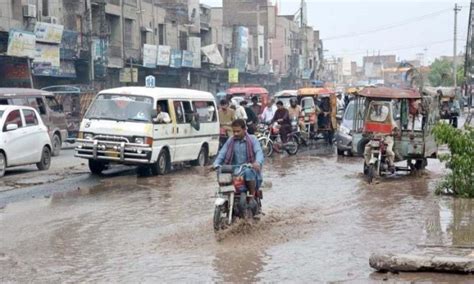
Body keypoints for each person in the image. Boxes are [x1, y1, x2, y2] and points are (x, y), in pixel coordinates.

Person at [213, 119, 264, 215]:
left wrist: (257, 162)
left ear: (244, 129)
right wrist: (216, 164)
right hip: (234, 172)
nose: (235, 134)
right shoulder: (230, 140)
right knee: (221, 171)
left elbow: (259, 152)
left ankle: (251, 197)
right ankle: (226, 199)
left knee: (249, 172)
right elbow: (222, 153)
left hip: (250, 170)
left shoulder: (253, 139)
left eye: (238, 131)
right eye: (234, 131)